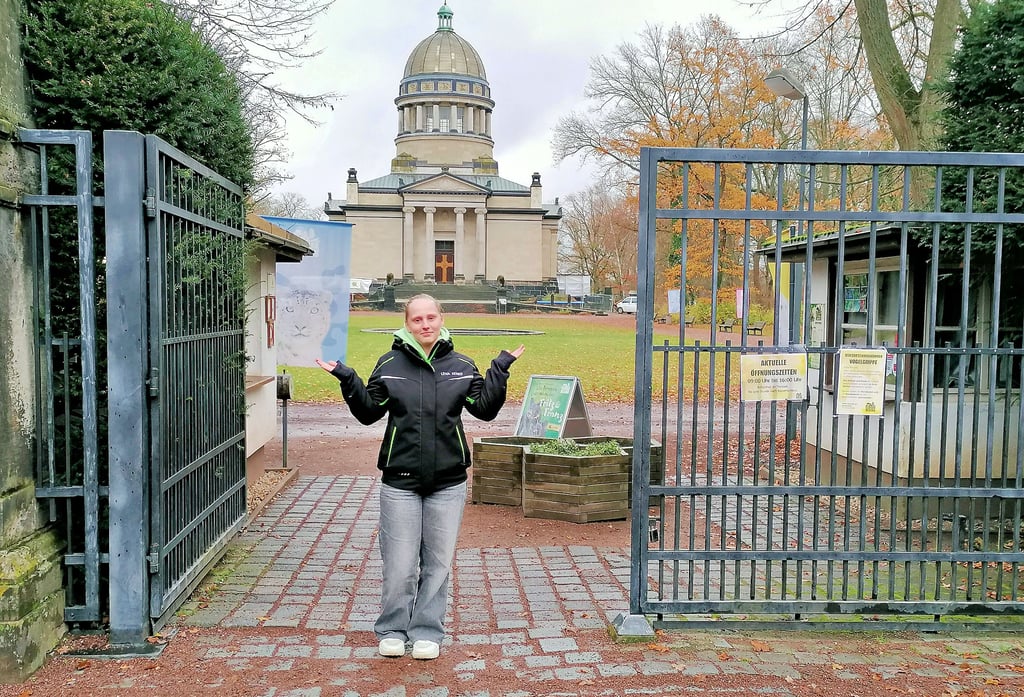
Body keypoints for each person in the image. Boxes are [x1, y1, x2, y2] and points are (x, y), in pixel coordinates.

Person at [315, 294, 525, 660]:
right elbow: (369, 412)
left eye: (431, 317)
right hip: (400, 481)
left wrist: (499, 369)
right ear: (407, 324)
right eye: (417, 319)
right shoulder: (390, 364)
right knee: (399, 562)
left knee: (438, 563)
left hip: (448, 482)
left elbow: (485, 410)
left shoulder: (461, 365)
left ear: (441, 319)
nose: (425, 325)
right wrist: (348, 379)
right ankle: (393, 629)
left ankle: (427, 630)